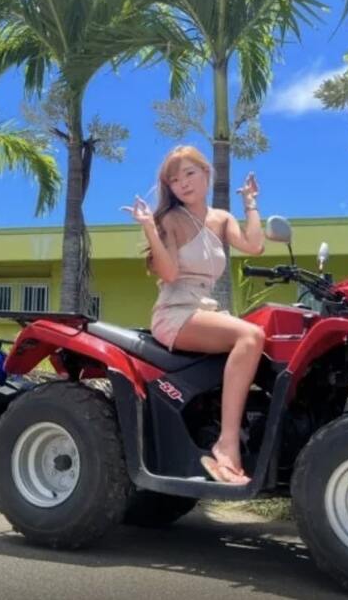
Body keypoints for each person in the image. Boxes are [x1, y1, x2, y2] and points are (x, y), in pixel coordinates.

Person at [123, 145, 265, 485]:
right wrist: (149, 228)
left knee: (265, 337)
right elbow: (170, 274)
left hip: (205, 309)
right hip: (175, 312)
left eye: (189, 173)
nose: (183, 183)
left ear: (206, 173)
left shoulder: (222, 219)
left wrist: (250, 204)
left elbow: (255, 246)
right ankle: (227, 444)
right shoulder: (171, 220)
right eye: (174, 180)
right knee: (251, 336)